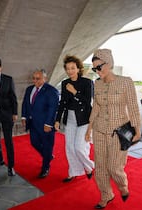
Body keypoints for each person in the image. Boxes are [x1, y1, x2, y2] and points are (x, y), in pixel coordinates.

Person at [85, 49, 142, 209]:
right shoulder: (97, 83)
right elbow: (96, 105)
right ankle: (106, 194)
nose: (97, 71)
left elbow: (133, 107)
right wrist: (89, 127)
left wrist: (137, 130)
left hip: (119, 132)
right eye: (94, 68)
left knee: (114, 167)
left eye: (99, 67)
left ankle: (123, 186)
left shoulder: (125, 82)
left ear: (109, 64)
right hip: (99, 130)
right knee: (100, 167)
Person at [54, 55, 94, 183]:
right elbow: (62, 103)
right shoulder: (65, 83)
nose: (70, 71)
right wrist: (57, 119)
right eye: (67, 69)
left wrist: (75, 92)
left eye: (72, 68)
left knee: (79, 147)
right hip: (70, 118)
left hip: (83, 119)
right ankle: (73, 172)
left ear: (78, 68)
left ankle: (89, 167)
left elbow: (88, 102)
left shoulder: (87, 83)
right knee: (70, 147)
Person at [21, 69, 59, 178]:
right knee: (34, 142)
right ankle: (47, 156)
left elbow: (53, 108)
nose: (35, 81)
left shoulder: (51, 91)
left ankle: (45, 167)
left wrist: (48, 124)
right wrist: (24, 116)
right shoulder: (29, 89)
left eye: (38, 78)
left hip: (46, 125)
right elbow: (25, 104)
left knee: (47, 146)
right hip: (33, 123)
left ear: (44, 78)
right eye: (33, 78)